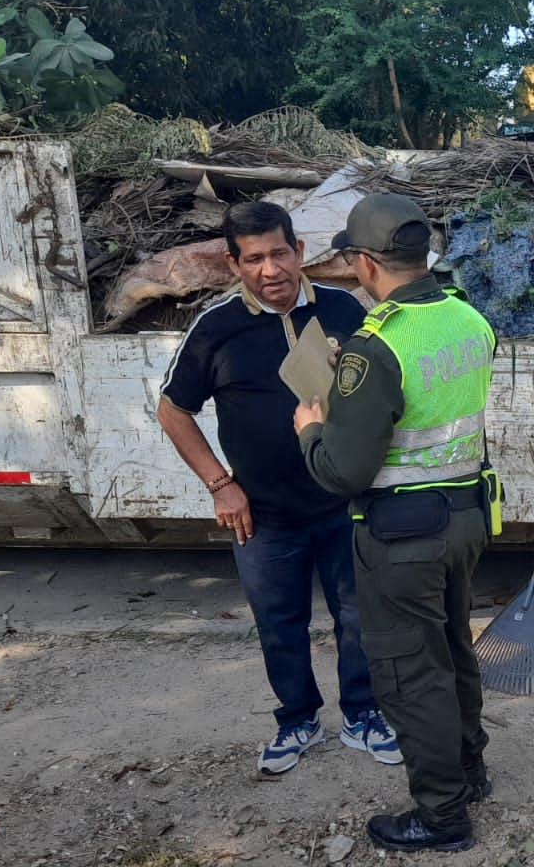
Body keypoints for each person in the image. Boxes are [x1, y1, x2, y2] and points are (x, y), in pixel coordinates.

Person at [157, 201, 399, 775]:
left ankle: (363, 715)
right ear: (234, 263)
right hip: (262, 516)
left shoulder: (344, 309)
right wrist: (221, 486)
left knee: (359, 616)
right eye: (255, 258)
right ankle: (297, 721)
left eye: (280, 253)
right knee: (279, 624)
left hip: (343, 501)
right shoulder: (217, 328)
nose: (271, 270)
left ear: (299, 252)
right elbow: (173, 411)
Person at [295, 193, 498, 853]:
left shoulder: (374, 348)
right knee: (453, 648)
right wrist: (351, 370)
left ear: (364, 262)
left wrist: (313, 427)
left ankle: (442, 814)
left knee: (412, 672)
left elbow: (342, 472)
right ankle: (470, 769)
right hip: (466, 515)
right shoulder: (468, 318)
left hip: (402, 535)